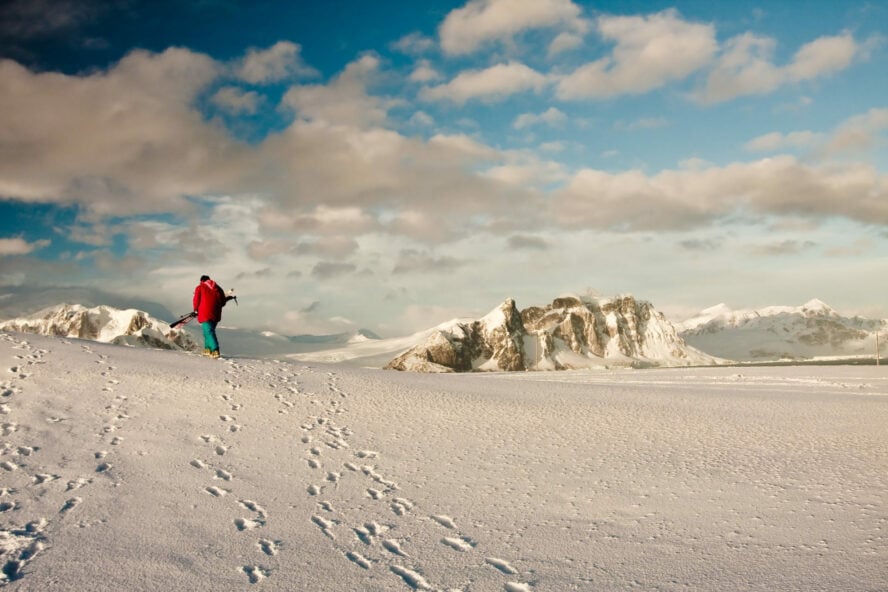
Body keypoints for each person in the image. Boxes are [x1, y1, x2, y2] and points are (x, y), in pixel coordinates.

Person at [193, 274, 228, 358]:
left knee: (208, 331)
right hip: (216, 314)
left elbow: (196, 300)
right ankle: (207, 349)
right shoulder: (218, 288)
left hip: (205, 313)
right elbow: (223, 302)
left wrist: (195, 309)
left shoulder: (200, 287)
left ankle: (215, 349)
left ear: (201, 281)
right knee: (209, 331)